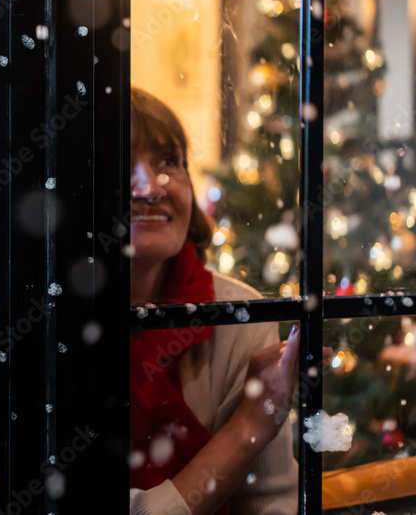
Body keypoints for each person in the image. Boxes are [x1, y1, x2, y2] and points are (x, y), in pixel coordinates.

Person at [128, 87, 301, 515]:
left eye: (169, 162)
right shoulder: (40, 318)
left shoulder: (241, 316)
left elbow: (271, 504)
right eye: (120, 162)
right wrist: (246, 429)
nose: (151, 188)